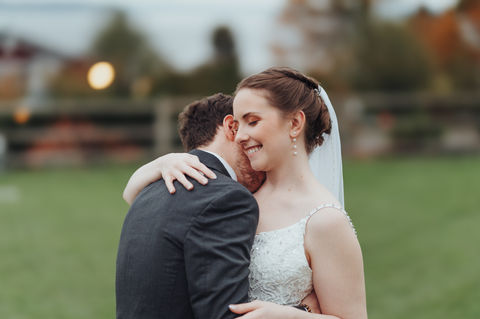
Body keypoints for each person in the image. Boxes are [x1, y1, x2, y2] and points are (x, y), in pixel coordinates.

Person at [124, 67, 368, 318]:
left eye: (252, 122)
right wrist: (161, 163)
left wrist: (289, 316)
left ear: (295, 123)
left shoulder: (326, 220)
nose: (240, 136)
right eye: (237, 125)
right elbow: (157, 211)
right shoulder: (233, 199)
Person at [116, 93, 265, 319]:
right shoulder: (228, 198)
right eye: (248, 125)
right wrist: (304, 311)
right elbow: (226, 314)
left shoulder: (147, 191)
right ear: (231, 127)